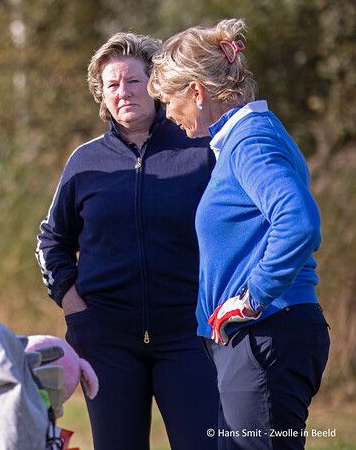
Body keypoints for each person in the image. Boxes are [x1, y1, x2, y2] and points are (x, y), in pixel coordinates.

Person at [148, 18, 330, 449]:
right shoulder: (243, 139)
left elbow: (298, 220)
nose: (168, 113)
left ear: (197, 91)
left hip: (267, 334)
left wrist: (253, 298)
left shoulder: (250, 140)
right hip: (261, 340)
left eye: (169, 99)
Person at [36, 32, 218, 449]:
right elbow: (52, 241)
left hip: (190, 339)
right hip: (107, 343)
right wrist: (76, 311)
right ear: (102, 96)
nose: (123, 92)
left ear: (155, 84)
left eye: (132, 81)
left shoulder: (201, 150)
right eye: (112, 85)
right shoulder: (85, 162)